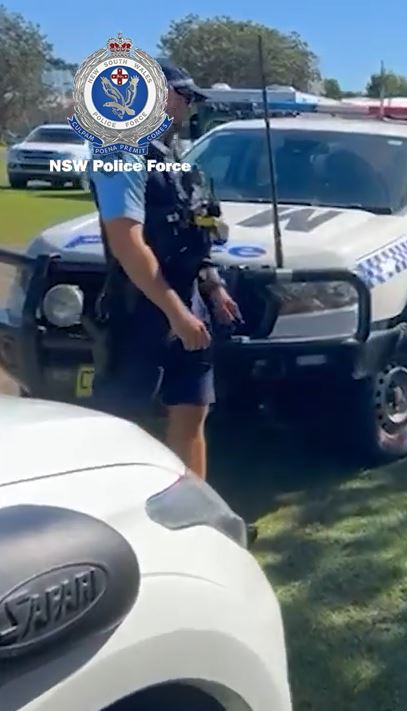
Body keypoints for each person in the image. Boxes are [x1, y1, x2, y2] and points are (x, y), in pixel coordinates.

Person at [89, 59, 241, 480]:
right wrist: (176, 312)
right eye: (185, 97)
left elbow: (195, 231)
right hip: (140, 307)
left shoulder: (172, 158)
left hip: (187, 300)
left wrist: (211, 288)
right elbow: (127, 242)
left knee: (192, 410)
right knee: (123, 425)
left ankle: (193, 513)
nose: (188, 108)